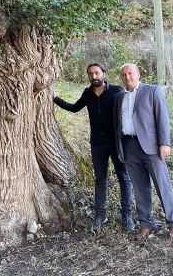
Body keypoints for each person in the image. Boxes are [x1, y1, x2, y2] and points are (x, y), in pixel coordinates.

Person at [53, 62, 134, 232]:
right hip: (97, 144)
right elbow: (74, 108)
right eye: (90, 74)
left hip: (116, 143)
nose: (94, 77)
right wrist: (55, 99)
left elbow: (129, 112)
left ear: (104, 73)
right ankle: (100, 215)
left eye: (97, 73)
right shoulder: (87, 93)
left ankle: (126, 215)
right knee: (100, 180)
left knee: (124, 178)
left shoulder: (117, 91)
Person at [113, 63, 173, 240]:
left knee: (162, 185)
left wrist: (164, 143)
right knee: (139, 188)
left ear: (138, 74)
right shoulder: (120, 97)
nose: (127, 77)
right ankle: (146, 223)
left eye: (130, 73)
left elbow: (162, 117)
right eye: (124, 74)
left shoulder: (152, 91)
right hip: (129, 147)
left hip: (151, 146)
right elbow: (117, 126)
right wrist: (120, 149)